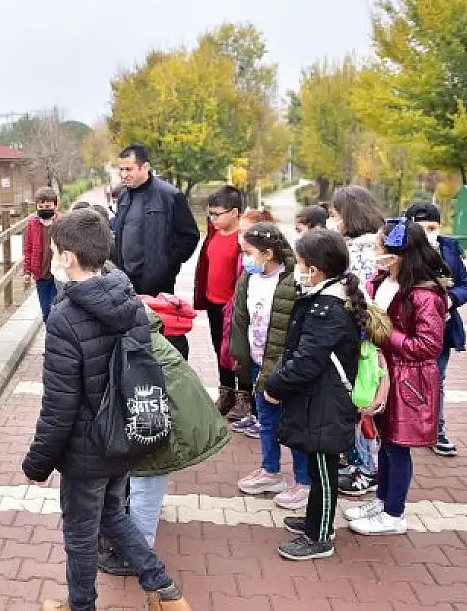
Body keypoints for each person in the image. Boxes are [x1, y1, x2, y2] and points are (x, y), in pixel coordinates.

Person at [23, 209, 187, 611]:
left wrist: (37, 462)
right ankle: (165, 592)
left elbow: (59, 405)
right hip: (125, 434)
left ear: (66, 258)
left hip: (86, 449)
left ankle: (81, 607)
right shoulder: (127, 298)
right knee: (113, 514)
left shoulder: (64, 317)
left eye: (55, 250)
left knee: (80, 536)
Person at [97, 299, 231, 577]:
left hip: (161, 412)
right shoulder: (133, 323)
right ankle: (135, 536)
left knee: (148, 475)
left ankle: (137, 554)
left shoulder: (124, 335)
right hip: (163, 406)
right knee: (145, 477)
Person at [264, 228, 365, 560]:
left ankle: (321, 535)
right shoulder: (324, 297)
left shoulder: (328, 307)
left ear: (315, 269)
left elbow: (306, 360)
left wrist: (275, 386)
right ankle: (314, 519)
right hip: (318, 397)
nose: (298, 269)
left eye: (301, 263)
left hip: (327, 400)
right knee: (316, 461)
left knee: (323, 469)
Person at [348, 219, 448, 536]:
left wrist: (386, 334)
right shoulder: (384, 281)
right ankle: (383, 500)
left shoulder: (424, 294)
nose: (375, 253)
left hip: (408, 380)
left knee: (397, 446)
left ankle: (395, 513)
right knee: (384, 441)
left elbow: (428, 345)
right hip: (385, 373)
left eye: (380, 248)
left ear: (398, 254)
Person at [230, 222, 313, 510]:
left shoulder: (293, 280)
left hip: (283, 365)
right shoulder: (249, 277)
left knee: (293, 424)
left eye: (248, 252)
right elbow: (241, 316)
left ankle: (303, 481)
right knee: (266, 421)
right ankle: (270, 471)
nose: (245, 257)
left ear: (267, 253)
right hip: (256, 360)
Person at [327, 185, 385, 497]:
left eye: (334, 214)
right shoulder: (355, 244)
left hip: (360, 335)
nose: (330, 220)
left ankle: (366, 468)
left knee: (361, 401)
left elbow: (362, 293)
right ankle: (357, 462)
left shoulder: (363, 249)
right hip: (353, 332)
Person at [404, 202, 467, 456]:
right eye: (421, 228)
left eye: (432, 227)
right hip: (407, 329)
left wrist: (449, 299)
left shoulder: (449, 248)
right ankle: (399, 428)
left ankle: (436, 430)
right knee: (402, 379)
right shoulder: (400, 249)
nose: (428, 233)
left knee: (437, 379)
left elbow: (466, 284)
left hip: (441, 329)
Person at [112, 143, 201, 296]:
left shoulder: (171, 196)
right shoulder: (123, 196)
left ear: (145, 167)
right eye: (121, 169)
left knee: (155, 321)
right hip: (126, 283)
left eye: (129, 169)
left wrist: (166, 266)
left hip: (157, 286)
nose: (124, 175)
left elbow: (190, 236)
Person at [194, 186, 246, 416]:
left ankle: (245, 397)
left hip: (235, 306)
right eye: (210, 215)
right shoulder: (213, 234)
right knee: (219, 349)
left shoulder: (244, 239)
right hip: (214, 303)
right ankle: (226, 393)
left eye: (218, 214)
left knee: (238, 352)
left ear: (234, 212)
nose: (213, 219)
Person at [224, 208, 276, 429]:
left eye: (246, 231)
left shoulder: (273, 276)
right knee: (253, 380)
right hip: (250, 338)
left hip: (266, 344)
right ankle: (256, 415)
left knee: (265, 387)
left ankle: (264, 420)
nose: (240, 237)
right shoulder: (248, 268)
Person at [22, 187, 61, 322]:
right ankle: (51, 337)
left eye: (48, 206)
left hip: (59, 275)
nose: (45, 209)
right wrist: (27, 272)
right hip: (41, 275)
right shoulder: (32, 225)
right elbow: (27, 249)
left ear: (55, 206)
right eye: (41, 206)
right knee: (46, 311)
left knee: (57, 310)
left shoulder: (62, 223)